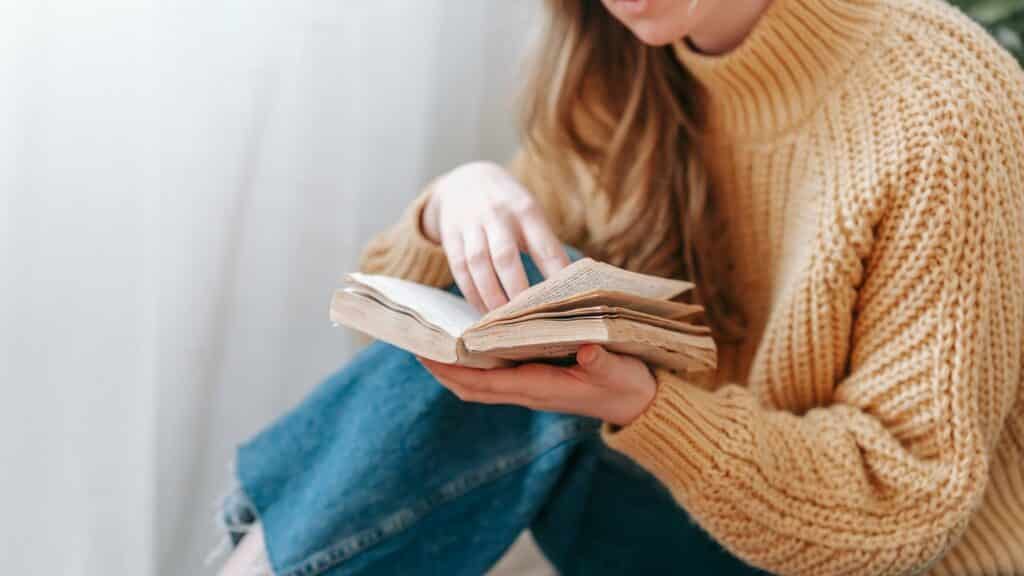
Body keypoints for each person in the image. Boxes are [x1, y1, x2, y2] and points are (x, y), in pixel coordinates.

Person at [218, 0, 1024, 574]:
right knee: (508, 321)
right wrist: (451, 205)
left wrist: (645, 408)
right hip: (694, 523)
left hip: (870, 554)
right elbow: (399, 366)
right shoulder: (624, 64)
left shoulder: (940, 103)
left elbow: (903, 507)